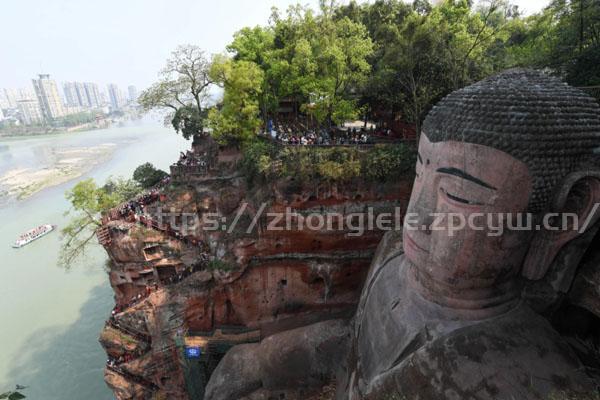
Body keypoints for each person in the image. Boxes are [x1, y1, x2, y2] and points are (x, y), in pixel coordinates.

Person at [205, 70, 600, 400]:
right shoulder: (395, 250)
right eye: (418, 175)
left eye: (457, 195)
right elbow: (353, 343)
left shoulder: (532, 378)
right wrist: (268, 358)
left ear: (566, 215)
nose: (416, 217)